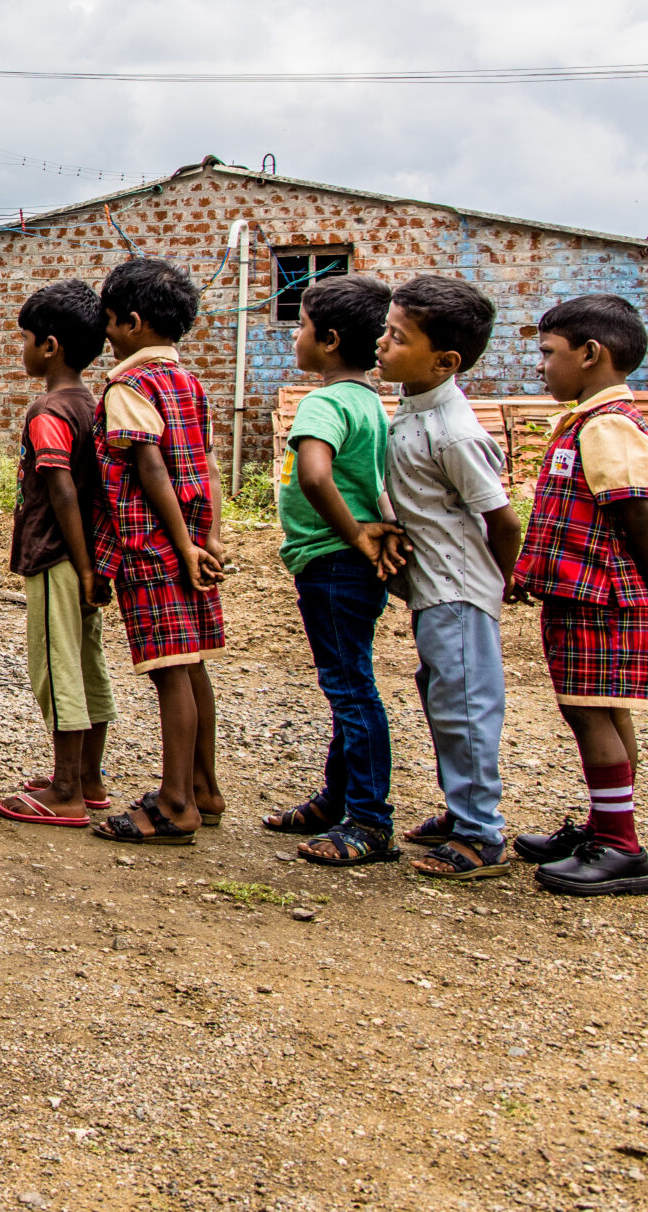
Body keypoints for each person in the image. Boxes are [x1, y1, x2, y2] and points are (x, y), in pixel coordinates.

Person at [509, 293, 648, 897]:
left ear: (590, 354)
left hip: (601, 597)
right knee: (599, 706)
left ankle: (620, 846)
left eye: (548, 353)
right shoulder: (586, 421)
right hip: (583, 593)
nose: (541, 366)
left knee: (590, 709)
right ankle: (607, 824)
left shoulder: (607, 426)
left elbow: (638, 509)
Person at [375, 274, 523, 882]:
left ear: (445, 360)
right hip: (434, 589)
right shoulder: (414, 409)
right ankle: (462, 810)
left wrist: (498, 580)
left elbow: (503, 519)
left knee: (464, 706)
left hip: (457, 590)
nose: (381, 343)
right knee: (443, 699)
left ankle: (480, 834)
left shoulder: (455, 431)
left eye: (397, 336)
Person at [264, 272, 404, 868]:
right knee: (349, 679)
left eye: (301, 326)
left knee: (351, 689)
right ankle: (336, 799)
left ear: (329, 340)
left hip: (332, 559)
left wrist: (353, 535)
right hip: (347, 564)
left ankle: (369, 820)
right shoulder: (371, 401)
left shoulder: (323, 401)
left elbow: (316, 475)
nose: (295, 337)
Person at [87, 256, 227, 844]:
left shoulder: (129, 386)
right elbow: (208, 465)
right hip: (192, 542)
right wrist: (209, 538)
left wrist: (177, 543)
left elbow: (149, 469)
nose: (107, 335)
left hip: (152, 545)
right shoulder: (188, 383)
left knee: (168, 670)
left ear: (134, 323)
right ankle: (202, 786)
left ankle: (175, 805)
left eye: (111, 322)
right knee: (190, 666)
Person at [0, 280, 117, 829]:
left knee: (56, 667)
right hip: (83, 558)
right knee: (87, 664)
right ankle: (88, 778)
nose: (20, 349)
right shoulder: (89, 404)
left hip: (56, 558)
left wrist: (83, 566)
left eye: (24, 339)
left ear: (49, 346)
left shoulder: (49, 409)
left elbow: (61, 486)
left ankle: (66, 789)